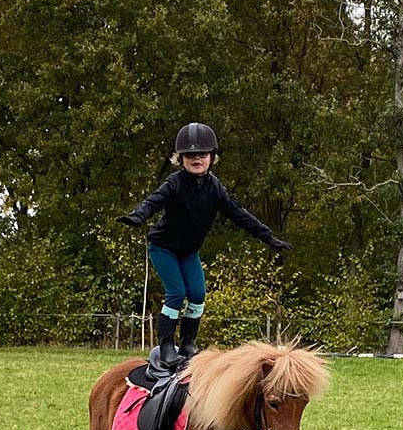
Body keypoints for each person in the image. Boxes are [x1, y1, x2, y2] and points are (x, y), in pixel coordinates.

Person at [117, 122, 292, 368]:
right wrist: (138, 216)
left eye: (202, 154)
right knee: (177, 293)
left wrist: (268, 237)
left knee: (198, 295)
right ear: (180, 159)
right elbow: (154, 201)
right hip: (163, 248)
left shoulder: (215, 188)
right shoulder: (174, 183)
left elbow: (239, 214)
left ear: (212, 158)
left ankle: (188, 343)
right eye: (190, 155)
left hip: (188, 252)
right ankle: (166, 345)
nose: (196, 158)